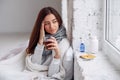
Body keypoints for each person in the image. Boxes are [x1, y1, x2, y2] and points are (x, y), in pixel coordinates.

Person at [25, 7, 74, 80]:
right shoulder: (41, 37)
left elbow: (52, 74)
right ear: (42, 26)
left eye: (54, 21)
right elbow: (34, 64)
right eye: (47, 23)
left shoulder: (63, 43)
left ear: (59, 21)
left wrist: (57, 55)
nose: (52, 26)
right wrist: (40, 41)